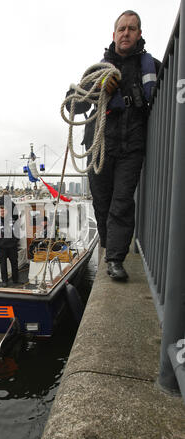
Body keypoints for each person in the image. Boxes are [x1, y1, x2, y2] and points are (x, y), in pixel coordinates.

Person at [67, 10, 161, 281]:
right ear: (114, 34)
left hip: (131, 145)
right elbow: (74, 102)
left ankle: (115, 260)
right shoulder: (99, 69)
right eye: (122, 29)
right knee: (102, 202)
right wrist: (99, 91)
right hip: (100, 146)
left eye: (131, 29)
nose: (126, 33)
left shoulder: (151, 65)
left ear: (139, 34)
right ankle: (110, 247)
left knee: (121, 203)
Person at [0, 195, 20, 287]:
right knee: (3, 264)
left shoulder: (12, 219)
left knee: (14, 263)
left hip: (12, 245)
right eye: (1, 209)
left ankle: (15, 279)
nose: (2, 211)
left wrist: (15, 240)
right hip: (1, 247)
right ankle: (4, 280)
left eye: (4, 209)